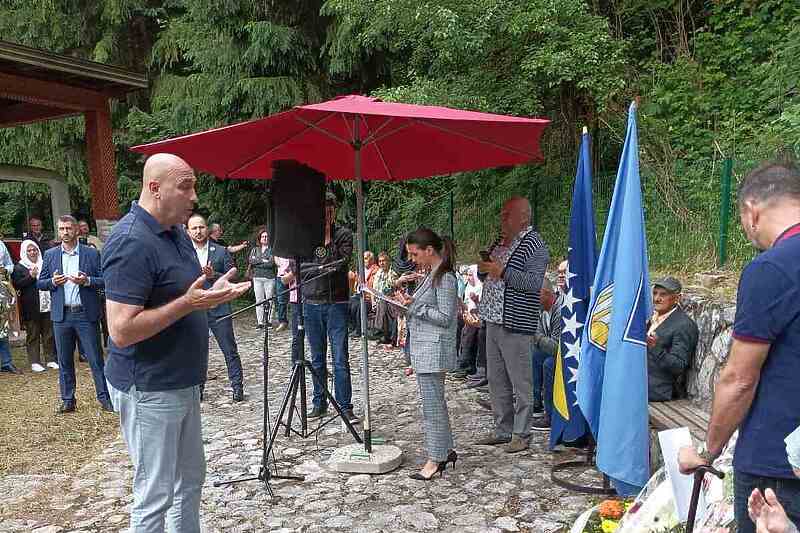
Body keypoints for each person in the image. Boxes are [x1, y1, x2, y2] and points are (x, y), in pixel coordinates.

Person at [103, 153, 250, 531]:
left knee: (189, 482)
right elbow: (121, 330)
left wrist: (211, 293)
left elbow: (185, 291)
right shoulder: (131, 241)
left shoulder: (175, 232)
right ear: (155, 188)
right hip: (149, 386)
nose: (194, 196)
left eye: (194, 186)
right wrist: (188, 304)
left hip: (182, 381)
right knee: (155, 494)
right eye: (185, 186)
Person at [679, 161, 800, 533]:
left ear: (751, 211)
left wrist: (706, 452)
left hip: (776, 467)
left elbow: (739, 378)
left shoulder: (772, 268)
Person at [475, 196, 549, 454]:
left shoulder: (535, 245)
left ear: (524, 217)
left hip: (516, 322)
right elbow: (486, 273)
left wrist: (502, 271)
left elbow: (533, 283)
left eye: (507, 214)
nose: (502, 218)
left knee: (520, 381)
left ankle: (522, 433)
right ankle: (503, 428)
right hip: (493, 319)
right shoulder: (501, 240)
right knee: (496, 379)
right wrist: (484, 268)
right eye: (502, 214)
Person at [396, 228, 459, 480]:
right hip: (426, 348)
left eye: (414, 253)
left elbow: (445, 318)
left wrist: (415, 307)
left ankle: (435, 459)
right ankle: (445, 450)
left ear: (429, 250)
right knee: (436, 405)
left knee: (432, 408)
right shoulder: (431, 274)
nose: (412, 259)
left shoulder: (445, 278)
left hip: (434, 350)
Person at [38, 215, 110, 413]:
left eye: (68, 228)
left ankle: (105, 399)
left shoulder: (91, 254)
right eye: (61, 229)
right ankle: (68, 399)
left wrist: (87, 281)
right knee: (64, 360)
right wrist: (53, 282)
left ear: (77, 230)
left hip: (86, 313)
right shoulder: (51, 254)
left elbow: (104, 279)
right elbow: (40, 282)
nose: (65, 232)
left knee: (96, 359)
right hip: (62, 315)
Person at [303, 192, 358, 423]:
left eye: (329, 208)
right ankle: (319, 403)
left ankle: (345, 407)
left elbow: (340, 264)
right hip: (311, 302)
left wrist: (318, 265)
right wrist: (320, 267)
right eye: (322, 208)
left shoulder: (343, 234)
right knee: (316, 358)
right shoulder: (306, 236)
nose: (326, 212)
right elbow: (302, 267)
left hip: (336, 301)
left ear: (334, 210)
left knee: (339, 357)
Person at [187, 214, 246, 402]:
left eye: (201, 227)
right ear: (188, 232)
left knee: (229, 349)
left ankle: (237, 387)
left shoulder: (220, 251)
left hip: (219, 308)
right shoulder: (184, 253)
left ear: (207, 229)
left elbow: (233, 274)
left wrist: (214, 275)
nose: (198, 231)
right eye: (194, 228)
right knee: (197, 351)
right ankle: (198, 390)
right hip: (196, 309)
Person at [646, 277, 699, 402]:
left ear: (677, 298)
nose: (656, 299)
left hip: (659, 390)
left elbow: (678, 365)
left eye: (663, 295)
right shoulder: (652, 318)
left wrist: (655, 347)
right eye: (655, 293)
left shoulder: (684, 325)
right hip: (640, 381)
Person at [11, 240, 57, 373]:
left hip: (47, 303)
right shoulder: (19, 267)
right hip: (31, 306)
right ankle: (35, 361)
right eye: (29, 250)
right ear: (24, 252)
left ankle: (50, 359)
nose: (33, 252)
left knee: (49, 333)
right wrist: (31, 277)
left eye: (35, 249)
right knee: (33, 334)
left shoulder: (44, 263)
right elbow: (18, 284)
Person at [531, 275, 564, 429]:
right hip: (552, 348)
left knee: (549, 364)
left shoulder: (560, 309)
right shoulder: (540, 309)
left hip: (568, 355)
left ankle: (550, 416)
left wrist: (535, 336)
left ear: (544, 293)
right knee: (534, 354)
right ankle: (534, 402)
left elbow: (557, 348)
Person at [453, 265, 483, 378]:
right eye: (468, 275)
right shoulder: (469, 288)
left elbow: (480, 308)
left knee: (470, 329)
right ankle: (460, 360)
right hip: (471, 315)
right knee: (459, 323)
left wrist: (475, 301)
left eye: (471, 275)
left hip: (479, 317)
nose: (469, 278)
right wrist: (460, 303)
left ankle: (464, 363)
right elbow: (467, 307)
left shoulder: (481, 287)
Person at [248, 228, 277, 329]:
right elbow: (251, 261)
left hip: (269, 278)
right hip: (257, 278)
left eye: (266, 237)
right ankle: (260, 322)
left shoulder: (272, 249)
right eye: (263, 236)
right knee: (259, 301)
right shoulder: (255, 249)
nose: (265, 238)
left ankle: (268, 321)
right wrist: (263, 261)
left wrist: (258, 261)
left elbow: (271, 263)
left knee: (269, 300)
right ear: (259, 238)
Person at [372, 251, 400, 347]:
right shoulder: (378, 274)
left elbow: (395, 290)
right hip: (380, 300)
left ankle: (379, 330)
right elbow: (373, 290)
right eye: (380, 261)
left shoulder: (393, 274)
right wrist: (373, 302)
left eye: (384, 261)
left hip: (392, 300)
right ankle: (383, 334)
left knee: (383, 303)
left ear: (388, 262)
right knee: (382, 303)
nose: (382, 263)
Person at [0, 267, 19, 374]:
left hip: (3, 309)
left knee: (3, 335)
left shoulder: (3, 272)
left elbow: (9, 287)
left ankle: (6, 363)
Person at [273, 255, 291, 332]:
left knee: (297, 299)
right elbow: (276, 258)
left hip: (294, 275)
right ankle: (282, 321)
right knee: (281, 299)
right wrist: (282, 266)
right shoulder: (278, 246)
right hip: (281, 275)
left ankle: (299, 320)